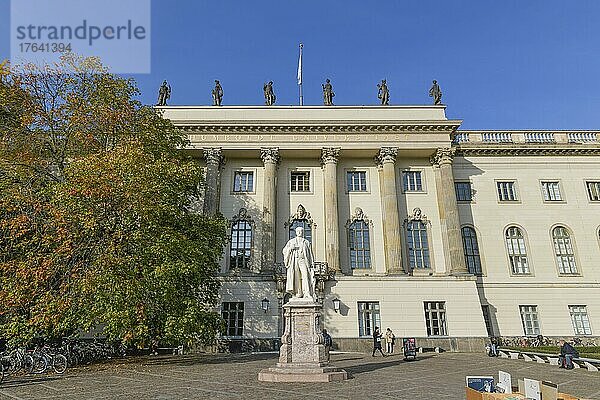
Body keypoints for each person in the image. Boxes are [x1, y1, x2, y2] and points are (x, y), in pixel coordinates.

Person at [282, 226, 315, 300]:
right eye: (298, 231)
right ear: (296, 232)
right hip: (294, 260)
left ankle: (307, 293)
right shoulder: (291, 242)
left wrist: (312, 263)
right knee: (296, 276)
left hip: (303, 260)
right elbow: (284, 251)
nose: (299, 232)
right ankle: (298, 293)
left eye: (301, 231)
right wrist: (290, 248)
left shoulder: (306, 242)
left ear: (303, 232)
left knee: (305, 276)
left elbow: (310, 253)